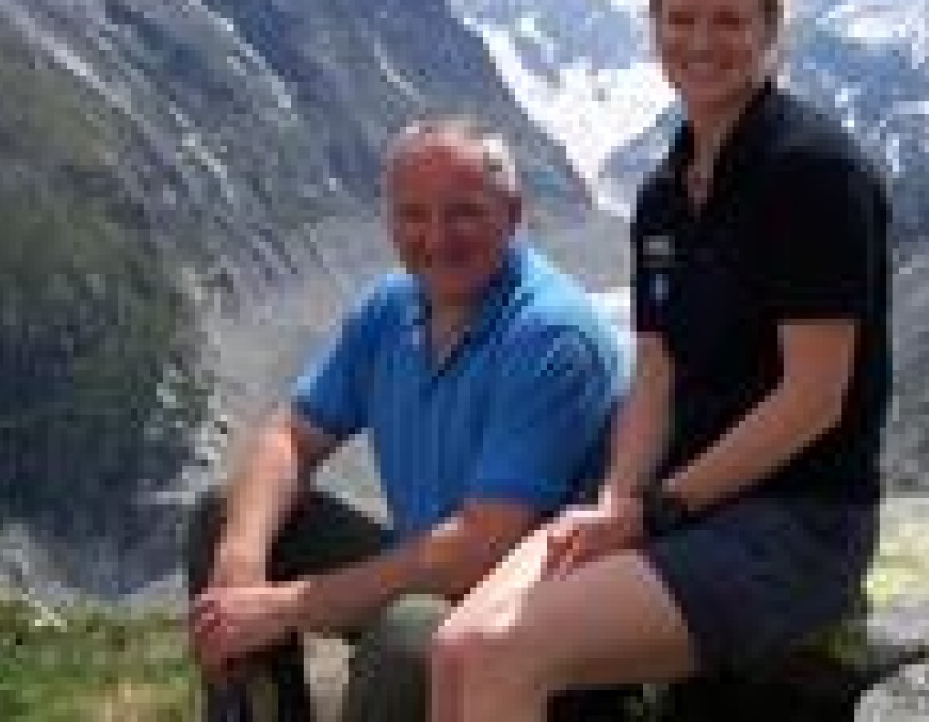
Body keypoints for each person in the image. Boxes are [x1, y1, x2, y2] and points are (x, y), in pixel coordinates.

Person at [430, 0, 891, 722]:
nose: (701, 42)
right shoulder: (666, 191)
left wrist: (657, 511)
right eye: (680, 19)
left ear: (772, 31)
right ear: (652, 24)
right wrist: (615, 501)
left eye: (729, 21)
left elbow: (813, 401)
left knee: (507, 652)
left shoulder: (814, 174)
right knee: (455, 646)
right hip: (680, 507)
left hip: (795, 523)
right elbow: (656, 371)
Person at [186, 118, 626, 721]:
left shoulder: (552, 336)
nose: (436, 238)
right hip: (437, 581)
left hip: (532, 625)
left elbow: (483, 546)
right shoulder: (393, 307)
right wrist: (241, 568)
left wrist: (285, 607)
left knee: (408, 636)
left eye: (463, 212)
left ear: (513, 211)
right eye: (413, 214)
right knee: (227, 515)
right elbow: (291, 434)